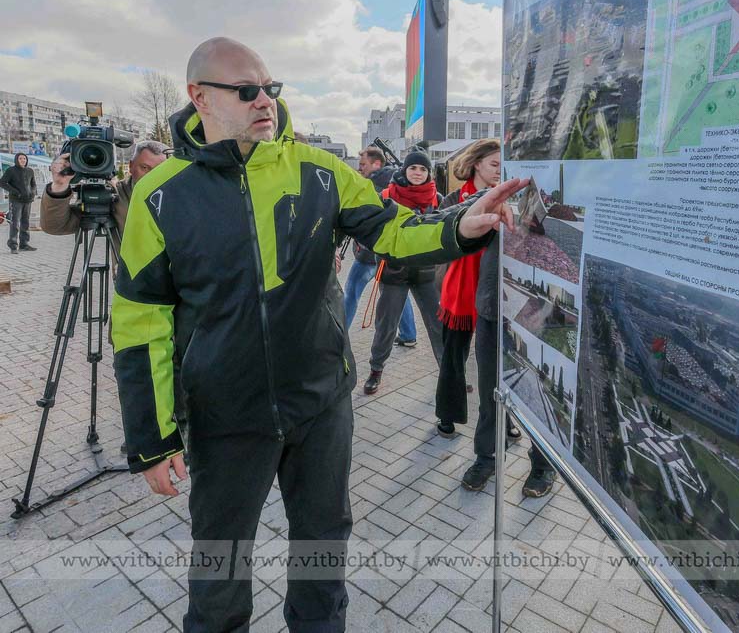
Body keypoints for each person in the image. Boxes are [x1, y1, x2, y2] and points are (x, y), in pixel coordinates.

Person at [111, 37, 524, 633]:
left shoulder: (320, 171)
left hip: (321, 401)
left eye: (270, 89)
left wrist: (461, 223)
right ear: (199, 97)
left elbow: (392, 231)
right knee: (220, 573)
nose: (265, 102)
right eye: (247, 90)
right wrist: (152, 439)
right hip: (224, 413)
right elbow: (138, 319)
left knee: (322, 550)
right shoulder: (161, 193)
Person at [434, 139, 520, 443]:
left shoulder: (511, 200)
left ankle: (503, 419)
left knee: (497, 366)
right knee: (453, 358)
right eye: (494, 165)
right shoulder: (454, 199)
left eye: (502, 166)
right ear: (476, 164)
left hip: (494, 293)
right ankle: (447, 413)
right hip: (459, 290)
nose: (499, 171)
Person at [460, 231, 557, 498]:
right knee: (489, 390)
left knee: (539, 396)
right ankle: (487, 455)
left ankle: (544, 463)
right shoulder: (496, 194)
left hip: (534, 317)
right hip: (492, 307)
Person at [364, 150, 447, 397]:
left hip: (426, 274)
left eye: (423, 169)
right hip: (394, 273)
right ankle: (376, 370)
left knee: (438, 326)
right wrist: (384, 256)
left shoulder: (437, 199)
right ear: (405, 170)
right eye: (413, 168)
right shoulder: (387, 196)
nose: (418, 173)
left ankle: (449, 373)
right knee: (386, 325)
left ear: (429, 173)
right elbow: (373, 231)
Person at [41, 140, 168, 257]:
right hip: (131, 278)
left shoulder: (179, 194)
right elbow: (55, 226)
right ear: (131, 166)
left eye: (160, 169)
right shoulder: (113, 194)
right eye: (145, 168)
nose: (152, 176)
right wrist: (59, 185)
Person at [343, 147, 417, 346]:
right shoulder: (397, 183)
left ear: (376, 164)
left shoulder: (372, 187)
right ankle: (409, 335)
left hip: (370, 252)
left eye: (363, 165)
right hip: (390, 251)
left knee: (351, 292)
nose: (360, 169)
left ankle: (338, 335)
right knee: (396, 290)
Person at [0, 153, 37, 253]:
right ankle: (13, 245)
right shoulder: (11, 170)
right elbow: (2, 182)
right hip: (15, 200)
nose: (23, 160)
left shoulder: (30, 171)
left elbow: (33, 184)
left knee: (25, 222)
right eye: (20, 158)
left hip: (28, 201)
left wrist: (33, 193)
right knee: (15, 223)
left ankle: (24, 244)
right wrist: (14, 191)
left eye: (24, 158)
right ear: (16, 160)